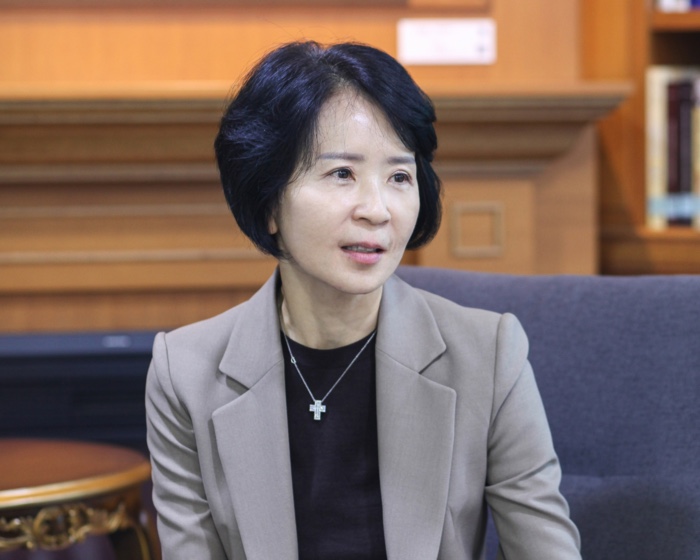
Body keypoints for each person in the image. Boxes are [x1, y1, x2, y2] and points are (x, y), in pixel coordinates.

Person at [145, 41, 581, 560]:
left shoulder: (488, 355)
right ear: (269, 204)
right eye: (342, 174)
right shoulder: (184, 373)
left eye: (399, 177)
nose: (377, 210)